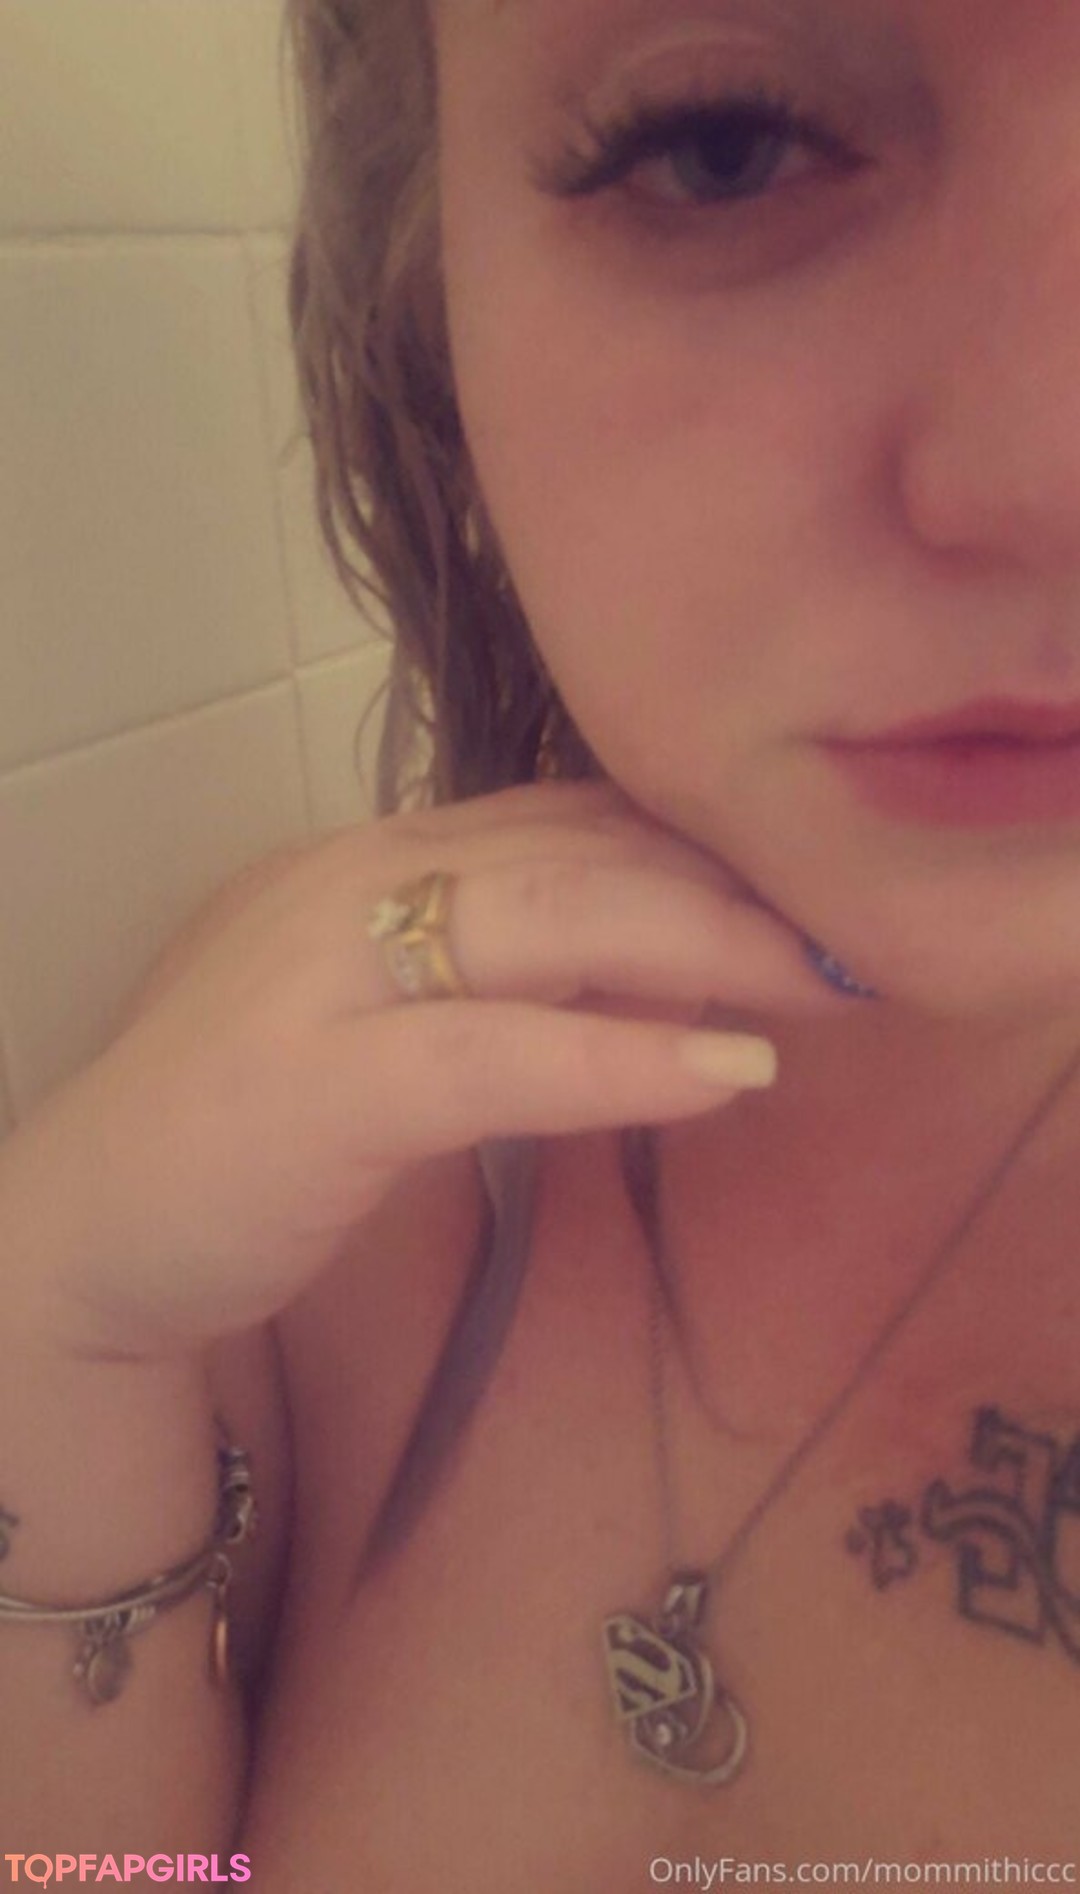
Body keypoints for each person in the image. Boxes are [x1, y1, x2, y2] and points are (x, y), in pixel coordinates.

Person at [4, 0, 1080, 1883]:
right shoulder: (301, 1132)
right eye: (728, 143)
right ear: (428, 289)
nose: (1039, 469)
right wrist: (53, 1339)